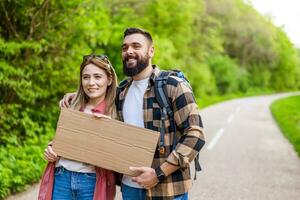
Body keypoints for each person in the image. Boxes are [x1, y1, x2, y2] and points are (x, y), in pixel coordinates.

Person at [61, 27, 205, 200]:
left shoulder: (173, 85)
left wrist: (159, 173)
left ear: (151, 51)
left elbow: (195, 135)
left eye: (136, 46)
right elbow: (94, 100)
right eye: (125, 47)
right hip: (130, 189)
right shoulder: (120, 91)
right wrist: (75, 96)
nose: (129, 51)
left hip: (167, 189)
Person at [39, 54, 118, 200]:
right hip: (61, 177)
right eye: (86, 77)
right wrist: (51, 149)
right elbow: (61, 142)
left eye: (97, 77)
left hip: (91, 181)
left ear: (109, 79)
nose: (91, 82)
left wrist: (108, 130)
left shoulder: (116, 111)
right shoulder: (72, 106)